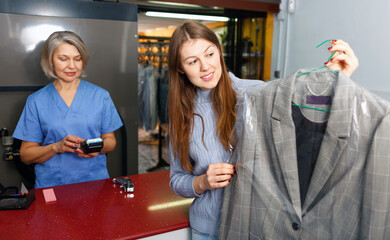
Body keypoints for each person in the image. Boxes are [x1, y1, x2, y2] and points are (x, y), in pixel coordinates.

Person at [167, 21, 359, 239]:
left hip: (252, 228)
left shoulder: (254, 92)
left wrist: (336, 79)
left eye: (209, 54)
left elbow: (305, 102)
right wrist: (201, 182)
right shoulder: (181, 116)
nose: (205, 67)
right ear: (181, 68)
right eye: (193, 61)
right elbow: (177, 179)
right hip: (206, 230)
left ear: (219, 51)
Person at [13, 31, 123, 189]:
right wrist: (56, 147)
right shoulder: (36, 101)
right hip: (52, 185)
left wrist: (97, 147)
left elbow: (111, 141)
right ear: (51, 60)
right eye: (63, 59)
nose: (72, 66)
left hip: (94, 183)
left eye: (77, 59)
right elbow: (26, 155)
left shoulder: (100, 96)